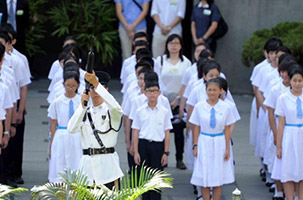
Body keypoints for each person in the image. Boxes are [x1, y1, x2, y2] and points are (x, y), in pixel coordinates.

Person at [67, 71, 123, 189]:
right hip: (87, 169)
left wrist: (97, 84)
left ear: (106, 89)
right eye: (92, 88)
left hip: (108, 169)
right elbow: (71, 128)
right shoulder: (85, 112)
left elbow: (117, 108)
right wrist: (82, 106)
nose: (96, 91)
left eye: (99, 88)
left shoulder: (111, 111)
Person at [189, 78, 234, 200]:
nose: (212, 92)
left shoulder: (226, 107)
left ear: (221, 91)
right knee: (204, 175)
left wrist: (227, 148)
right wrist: (195, 145)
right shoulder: (199, 106)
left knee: (217, 175)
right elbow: (196, 127)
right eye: (209, 90)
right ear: (206, 91)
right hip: (204, 140)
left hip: (219, 142)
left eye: (215, 90)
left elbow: (227, 128)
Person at [132, 80, 172, 200]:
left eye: (154, 91)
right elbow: (135, 131)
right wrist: (136, 152)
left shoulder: (164, 112)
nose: (152, 94)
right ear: (145, 93)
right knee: (144, 178)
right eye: (149, 91)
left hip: (158, 147)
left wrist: (166, 152)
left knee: (156, 179)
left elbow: (167, 132)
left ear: (159, 92)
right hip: (143, 145)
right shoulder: (140, 111)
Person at [156, 34, 191, 169]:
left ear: (181, 46)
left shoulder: (186, 62)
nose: (174, 46)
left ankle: (179, 159)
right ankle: (162, 158)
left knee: (178, 131)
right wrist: (164, 99)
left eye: (177, 43)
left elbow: (187, 83)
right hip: (163, 101)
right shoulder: (160, 61)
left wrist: (178, 99)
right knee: (162, 130)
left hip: (179, 102)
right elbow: (157, 80)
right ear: (167, 45)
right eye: (171, 43)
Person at [272, 67, 303, 200]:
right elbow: (281, 123)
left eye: (300, 81)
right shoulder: (283, 98)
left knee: (301, 171)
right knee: (288, 170)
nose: (297, 83)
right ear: (290, 81)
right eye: (294, 80)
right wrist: (279, 146)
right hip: (289, 135)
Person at [48, 71, 82, 182]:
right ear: (63, 84)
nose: (70, 88)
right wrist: (51, 143)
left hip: (77, 136)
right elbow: (53, 123)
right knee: (60, 166)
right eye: (68, 85)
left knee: (77, 165)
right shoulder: (57, 101)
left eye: (73, 86)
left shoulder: (82, 101)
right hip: (61, 135)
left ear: (78, 85)